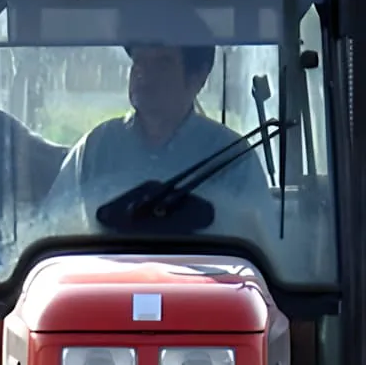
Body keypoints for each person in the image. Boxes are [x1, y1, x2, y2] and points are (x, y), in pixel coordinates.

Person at [39, 43, 277, 232]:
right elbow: (50, 225)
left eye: (162, 62)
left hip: (209, 288)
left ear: (198, 78)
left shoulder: (232, 156)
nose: (143, 73)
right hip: (107, 285)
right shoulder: (97, 146)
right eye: (138, 61)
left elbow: (264, 245)